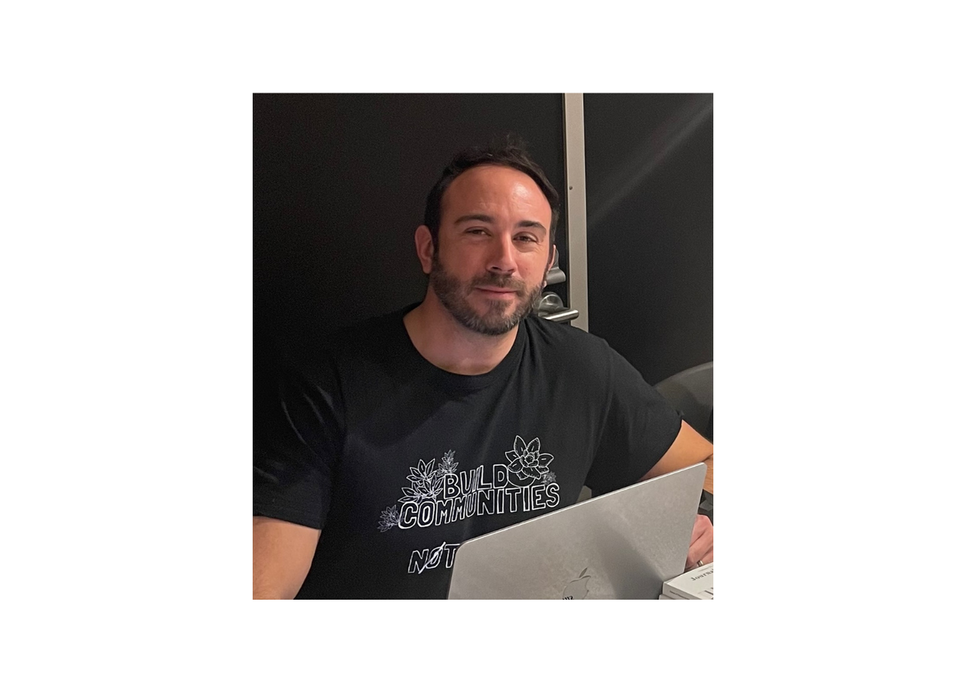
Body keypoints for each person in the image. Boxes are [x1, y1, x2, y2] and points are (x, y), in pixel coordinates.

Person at [253, 139, 714, 599]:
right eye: (477, 231)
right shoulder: (325, 387)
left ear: (548, 261)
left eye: (526, 238)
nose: (504, 261)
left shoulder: (582, 368)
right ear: (428, 248)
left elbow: (706, 465)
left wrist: (701, 524)